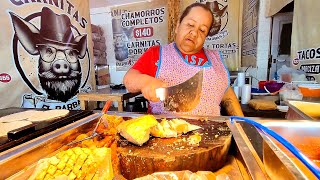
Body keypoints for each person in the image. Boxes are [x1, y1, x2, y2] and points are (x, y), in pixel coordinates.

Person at [124, 3, 243, 117]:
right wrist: (145, 82)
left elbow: (227, 95)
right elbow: (129, 79)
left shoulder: (216, 59)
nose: (194, 33)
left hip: (211, 134)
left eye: (202, 30)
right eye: (190, 25)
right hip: (164, 132)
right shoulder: (156, 54)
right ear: (177, 26)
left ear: (205, 37)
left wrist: (244, 124)